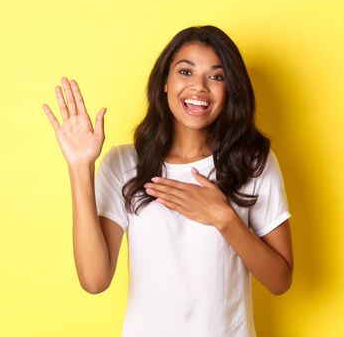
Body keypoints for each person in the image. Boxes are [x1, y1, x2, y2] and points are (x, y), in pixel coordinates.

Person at [42, 25, 294, 337]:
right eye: (186, 72)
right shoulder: (124, 164)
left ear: (230, 90)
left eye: (216, 76)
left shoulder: (252, 163)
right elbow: (94, 280)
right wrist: (80, 167)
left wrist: (224, 218)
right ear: (165, 82)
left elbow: (280, 280)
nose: (199, 87)